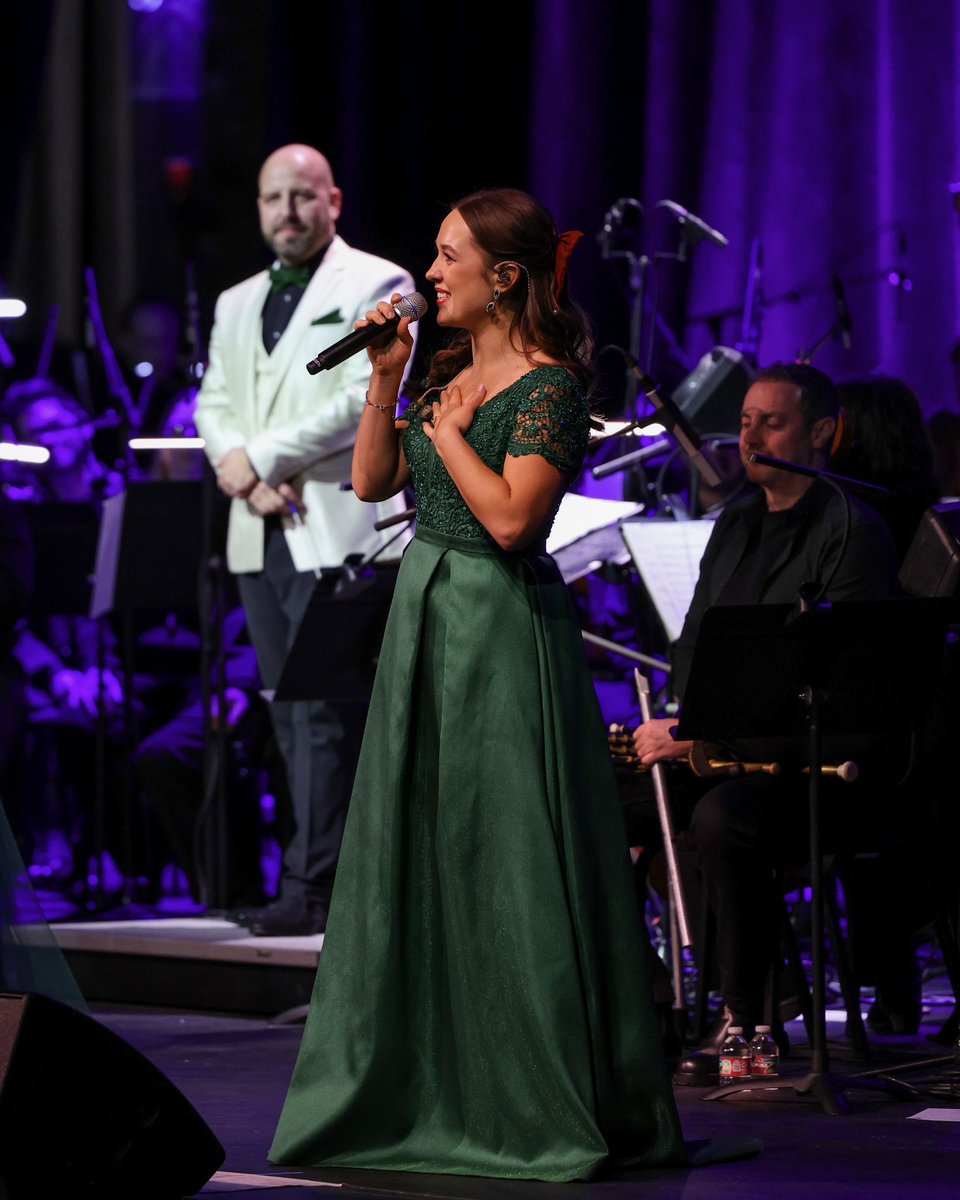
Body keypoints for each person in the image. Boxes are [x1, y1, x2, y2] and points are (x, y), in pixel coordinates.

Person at [269, 189, 687, 1180]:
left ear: (506, 276)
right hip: (425, 615)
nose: (432, 272)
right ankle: (429, 1080)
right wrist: (390, 378)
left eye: (450, 255)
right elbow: (373, 484)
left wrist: (451, 432)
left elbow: (510, 526)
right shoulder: (443, 368)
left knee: (504, 850)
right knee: (426, 841)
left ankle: (527, 1093)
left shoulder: (549, 388)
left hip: (500, 628)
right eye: (435, 252)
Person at [631, 363, 901, 1083]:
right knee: (591, 797)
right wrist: (684, 729)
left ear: (820, 432)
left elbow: (824, 686)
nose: (749, 437)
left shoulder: (850, 530)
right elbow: (695, 649)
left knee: (721, 819)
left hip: (816, 767)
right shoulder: (738, 524)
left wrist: (695, 740)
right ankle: (648, 1007)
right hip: (722, 748)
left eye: (770, 423)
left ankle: (749, 1013)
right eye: (744, 421)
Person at [194, 144, 416, 937]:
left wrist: (259, 458)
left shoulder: (378, 283)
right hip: (260, 527)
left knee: (328, 711)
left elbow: (362, 397)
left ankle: (317, 887)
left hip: (337, 529)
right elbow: (214, 400)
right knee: (288, 712)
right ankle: (313, 876)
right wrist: (240, 471)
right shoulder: (235, 300)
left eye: (301, 196)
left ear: (334, 200)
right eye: (271, 198)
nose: (285, 211)